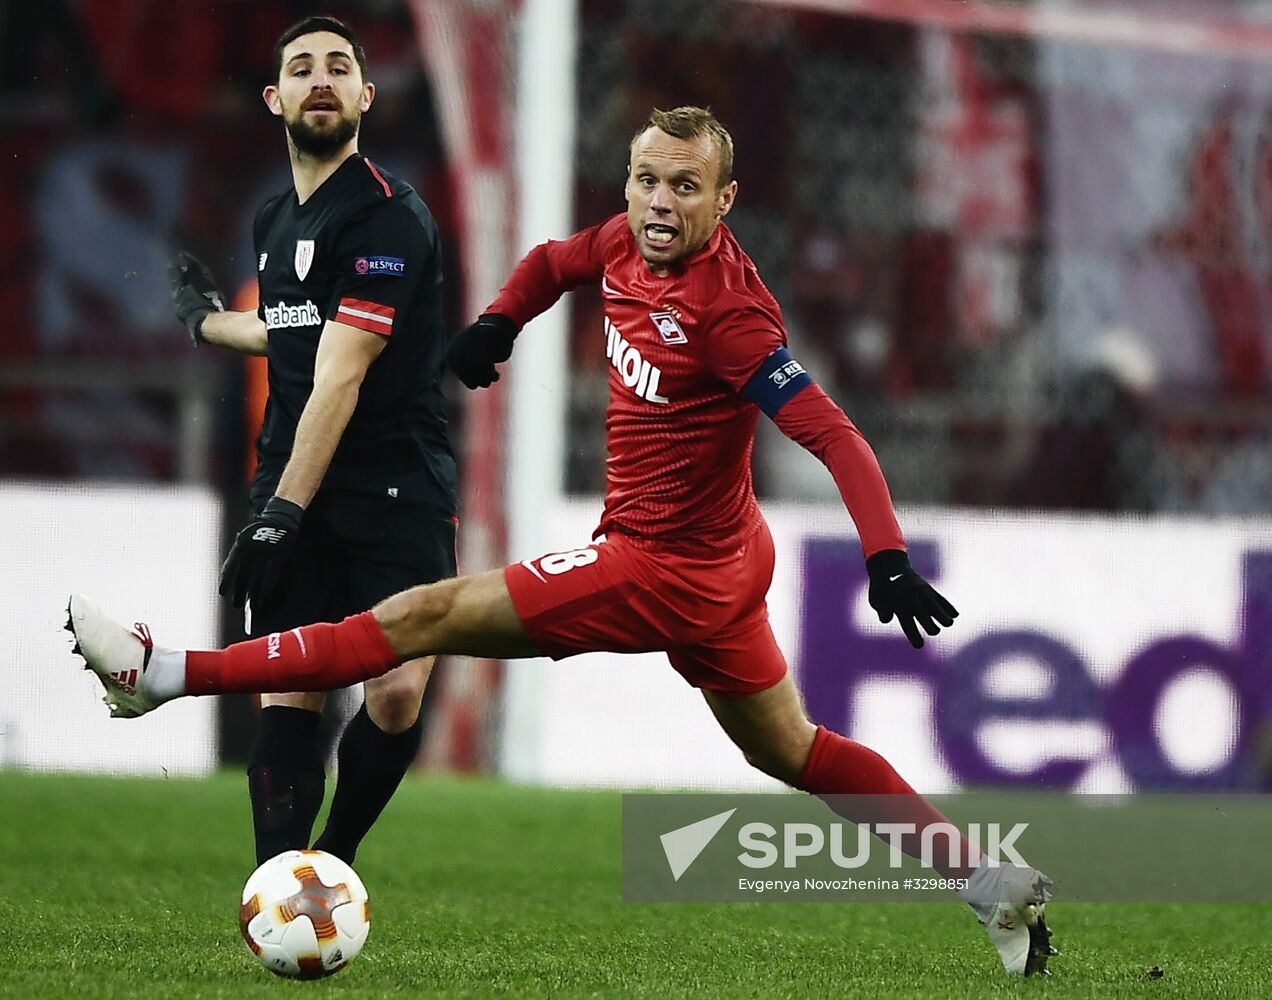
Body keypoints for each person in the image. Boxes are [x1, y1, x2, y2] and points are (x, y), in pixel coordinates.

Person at [70, 106, 1054, 976]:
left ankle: (166, 672)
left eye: (685, 186)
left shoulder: (732, 316)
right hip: (720, 555)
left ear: (727, 199)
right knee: (797, 751)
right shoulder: (627, 244)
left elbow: (832, 432)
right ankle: (988, 882)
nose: (659, 202)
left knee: (424, 614)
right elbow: (552, 261)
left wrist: (884, 552)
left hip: (664, 568)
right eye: (646, 179)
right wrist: (499, 322)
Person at [163, 16, 458, 867]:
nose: (320, 79)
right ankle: (279, 886)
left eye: (339, 67)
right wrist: (208, 324)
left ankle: (333, 861)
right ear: (274, 98)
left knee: (397, 690)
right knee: (288, 687)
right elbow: (293, 334)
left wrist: (278, 513)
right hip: (293, 484)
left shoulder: (389, 219)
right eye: (302, 68)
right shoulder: (272, 219)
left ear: (367, 96)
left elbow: (342, 372)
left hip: (395, 485)